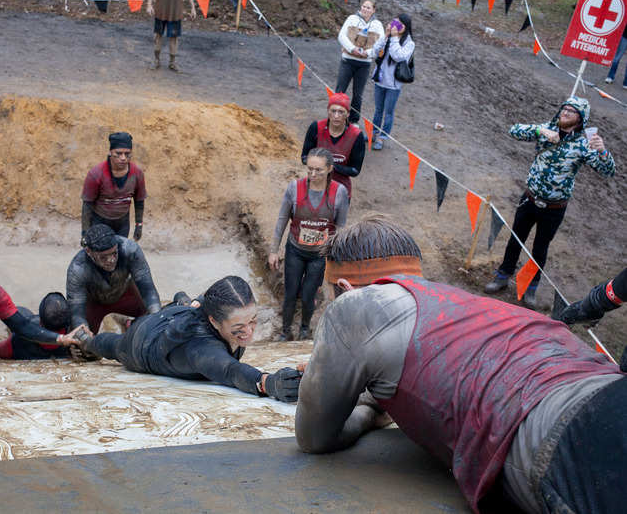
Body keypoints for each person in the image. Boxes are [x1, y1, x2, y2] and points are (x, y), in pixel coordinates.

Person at [295, 215, 626, 514]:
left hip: (565, 433)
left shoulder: (356, 307)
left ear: (345, 288)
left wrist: (369, 411)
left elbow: (314, 437)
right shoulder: (461, 302)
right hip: (606, 385)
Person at [78, 276, 302, 402]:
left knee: (183, 303)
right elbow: (230, 371)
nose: (249, 332)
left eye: (253, 320)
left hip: (175, 315)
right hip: (141, 344)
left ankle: (174, 304)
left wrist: (197, 301)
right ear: (214, 321)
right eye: (238, 327)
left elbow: (213, 293)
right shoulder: (202, 349)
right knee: (115, 346)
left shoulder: (214, 309)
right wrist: (269, 383)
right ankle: (84, 340)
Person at [484, 97, 615, 309]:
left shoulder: (584, 144)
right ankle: (503, 275)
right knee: (515, 238)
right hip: (529, 199)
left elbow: (608, 172)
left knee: (540, 248)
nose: (565, 113)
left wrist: (602, 151)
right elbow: (514, 130)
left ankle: (531, 287)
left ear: (580, 119)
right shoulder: (546, 129)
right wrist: (539, 131)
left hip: (554, 208)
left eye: (571, 111)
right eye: (564, 109)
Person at [268, 148, 349, 341]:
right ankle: (285, 331)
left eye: (319, 170)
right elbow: (282, 220)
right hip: (295, 250)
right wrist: (273, 250)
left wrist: (335, 258)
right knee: (290, 293)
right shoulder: (294, 188)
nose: (313, 174)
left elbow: (341, 227)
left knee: (308, 295)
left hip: (319, 255)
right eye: (310, 169)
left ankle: (305, 328)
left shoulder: (339, 193)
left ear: (329, 169)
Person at [66, 223, 162, 334]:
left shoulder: (130, 249)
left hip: (126, 295)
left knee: (149, 321)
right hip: (95, 304)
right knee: (85, 338)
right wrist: (83, 335)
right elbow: (77, 314)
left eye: (114, 253)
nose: (111, 260)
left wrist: (157, 318)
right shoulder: (78, 268)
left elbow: (148, 290)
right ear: (89, 252)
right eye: (103, 257)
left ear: (117, 245)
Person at [81, 132, 147, 241]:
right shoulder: (96, 174)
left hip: (122, 223)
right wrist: (85, 233)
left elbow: (139, 201)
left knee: (119, 253)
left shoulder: (137, 173)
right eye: (118, 153)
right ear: (110, 152)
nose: (123, 158)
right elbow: (87, 204)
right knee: (100, 253)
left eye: (127, 154)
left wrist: (139, 225)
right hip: (99, 221)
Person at [301, 93, 365, 199]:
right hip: (315, 183)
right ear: (328, 111)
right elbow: (304, 157)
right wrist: (319, 167)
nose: (336, 116)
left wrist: (330, 166)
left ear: (348, 114)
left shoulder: (356, 135)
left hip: (341, 188)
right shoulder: (316, 128)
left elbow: (355, 170)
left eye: (341, 112)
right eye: (333, 111)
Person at [335, 0, 384, 126]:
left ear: (373, 10)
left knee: (358, 94)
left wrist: (367, 53)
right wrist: (352, 49)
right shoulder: (352, 19)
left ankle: (354, 120)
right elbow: (341, 35)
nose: (365, 9)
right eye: (363, 6)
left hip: (364, 64)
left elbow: (380, 43)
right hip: (348, 60)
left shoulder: (377, 25)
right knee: (340, 90)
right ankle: (334, 115)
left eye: (368, 7)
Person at [369, 14, 414, 151]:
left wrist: (394, 38)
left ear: (405, 27)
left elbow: (398, 56)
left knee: (388, 112)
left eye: (400, 24)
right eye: (395, 22)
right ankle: (374, 133)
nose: (396, 26)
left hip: (394, 85)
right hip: (380, 79)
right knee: (378, 110)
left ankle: (382, 138)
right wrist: (386, 36)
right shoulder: (389, 37)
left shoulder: (409, 43)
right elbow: (375, 51)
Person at [0, 293, 75, 360]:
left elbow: (0, 350)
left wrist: (12, 338)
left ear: (41, 322)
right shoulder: (74, 338)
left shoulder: (18, 340)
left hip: (28, 332)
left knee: (20, 312)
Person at [146, 0, 196, 71]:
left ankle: (172, 62)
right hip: (161, 10)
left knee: (174, 37)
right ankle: (156, 60)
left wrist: (193, 7)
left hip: (175, 11)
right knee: (158, 35)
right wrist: (149, 4)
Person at [604, 23, 626, 89]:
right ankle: (610, 76)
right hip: (625, 36)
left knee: (616, 58)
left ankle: (626, 82)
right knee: (617, 58)